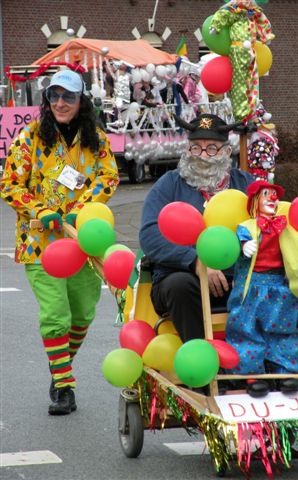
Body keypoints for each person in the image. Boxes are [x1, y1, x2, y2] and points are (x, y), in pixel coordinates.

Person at [0, 69, 119, 415]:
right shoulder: (31, 137)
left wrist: (79, 212)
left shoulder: (94, 138)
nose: (60, 103)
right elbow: (9, 184)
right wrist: (41, 210)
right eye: (54, 96)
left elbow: (108, 176)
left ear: (81, 101)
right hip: (40, 244)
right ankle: (65, 387)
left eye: (67, 96)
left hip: (81, 241)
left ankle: (59, 368)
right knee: (56, 316)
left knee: (83, 312)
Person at [139, 113, 254, 342]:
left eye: (211, 148)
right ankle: (202, 367)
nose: (202, 155)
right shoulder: (169, 184)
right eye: (195, 148)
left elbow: (271, 225)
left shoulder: (247, 185)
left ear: (226, 152)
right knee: (179, 285)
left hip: (240, 280)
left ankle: (273, 363)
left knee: (297, 285)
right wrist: (196, 261)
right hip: (183, 278)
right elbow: (150, 235)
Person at [225, 180, 298, 397]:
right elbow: (235, 243)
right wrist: (243, 244)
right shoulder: (246, 227)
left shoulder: (283, 226)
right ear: (255, 201)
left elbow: (295, 242)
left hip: (277, 287)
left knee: (282, 329)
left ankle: (284, 372)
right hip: (251, 287)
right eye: (267, 194)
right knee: (246, 329)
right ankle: (252, 375)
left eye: (274, 195)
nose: (272, 199)